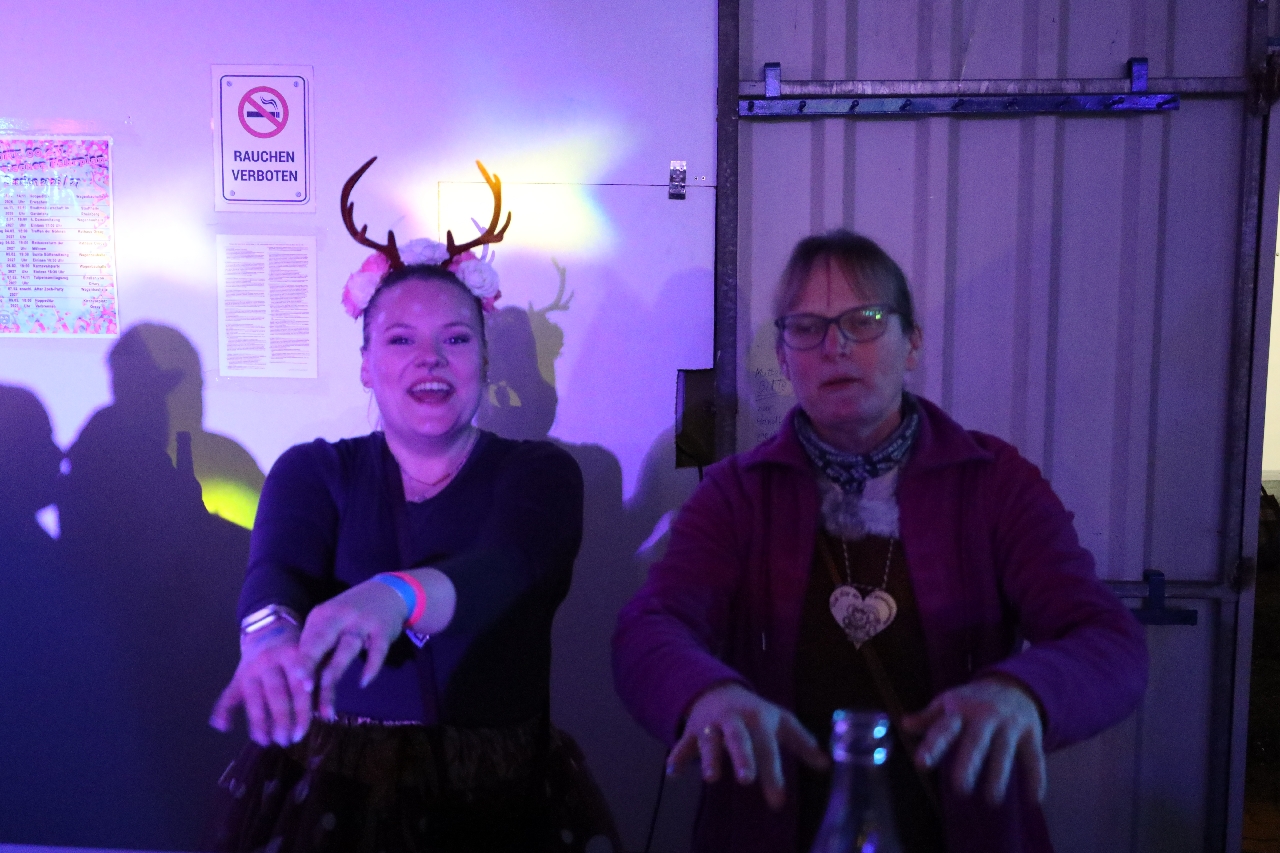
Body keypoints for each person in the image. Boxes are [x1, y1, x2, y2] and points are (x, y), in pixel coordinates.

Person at [612, 230, 1148, 853]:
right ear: (784, 359)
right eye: (806, 327)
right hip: (772, 827)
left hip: (960, 830)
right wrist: (708, 694)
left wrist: (1024, 692)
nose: (834, 346)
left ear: (912, 343)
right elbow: (650, 626)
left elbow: (1107, 638)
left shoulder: (994, 483)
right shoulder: (737, 494)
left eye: (863, 321)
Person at [208, 159, 608, 852]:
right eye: (401, 340)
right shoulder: (313, 470)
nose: (431, 360)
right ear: (366, 365)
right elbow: (276, 571)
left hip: (501, 798)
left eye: (455, 338)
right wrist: (269, 640)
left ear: (484, 360)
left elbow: (504, 569)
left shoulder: (542, 474)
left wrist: (397, 595)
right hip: (333, 791)